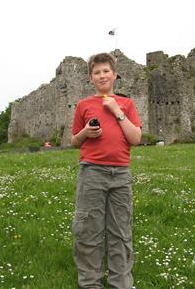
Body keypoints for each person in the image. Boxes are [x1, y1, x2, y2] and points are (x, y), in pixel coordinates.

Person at [71, 52, 142, 289]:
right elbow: (74, 141)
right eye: (97, 72)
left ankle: (120, 283)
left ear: (114, 75)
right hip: (91, 172)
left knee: (121, 233)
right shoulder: (83, 105)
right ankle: (90, 284)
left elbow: (135, 138)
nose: (102, 75)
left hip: (121, 174)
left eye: (105, 71)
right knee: (88, 230)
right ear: (91, 78)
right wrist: (85, 133)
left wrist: (116, 111)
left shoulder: (127, 104)